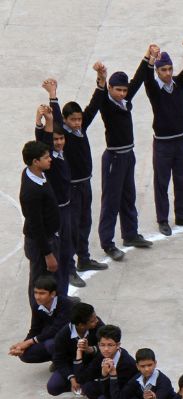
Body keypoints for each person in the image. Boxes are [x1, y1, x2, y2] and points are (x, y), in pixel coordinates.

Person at [45, 79, 108, 273]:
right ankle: (69, 268)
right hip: (71, 188)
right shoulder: (63, 135)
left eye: (79, 119)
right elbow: (55, 117)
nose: (77, 123)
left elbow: (94, 105)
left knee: (85, 222)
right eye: (73, 120)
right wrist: (53, 96)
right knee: (70, 228)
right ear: (65, 120)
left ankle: (84, 258)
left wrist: (101, 82)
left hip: (85, 184)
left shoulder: (81, 128)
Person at [92, 58, 152, 257]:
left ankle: (130, 233)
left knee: (128, 196)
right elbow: (96, 99)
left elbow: (138, 79)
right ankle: (107, 243)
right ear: (110, 88)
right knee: (111, 200)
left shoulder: (125, 100)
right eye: (118, 90)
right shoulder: (106, 104)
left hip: (128, 155)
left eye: (124, 90)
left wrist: (147, 58)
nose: (122, 94)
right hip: (115, 157)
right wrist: (100, 80)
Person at [141, 43, 183, 236]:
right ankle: (163, 219)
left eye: (170, 69)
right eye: (163, 70)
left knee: (182, 179)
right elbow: (146, 78)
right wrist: (150, 59)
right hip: (163, 143)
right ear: (157, 71)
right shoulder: (154, 89)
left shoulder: (178, 84)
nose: (167, 73)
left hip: (181, 140)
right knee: (162, 182)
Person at [33, 104, 75, 292]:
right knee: (57, 255)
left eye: (61, 138)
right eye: (55, 139)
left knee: (66, 253)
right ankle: (57, 294)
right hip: (56, 211)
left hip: (67, 208)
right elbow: (43, 143)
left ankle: (63, 293)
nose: (58, 142)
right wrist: (41, 122)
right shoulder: (49, 160)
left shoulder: (63, 154)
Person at [19, 140, 60, 311]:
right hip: (40, 244)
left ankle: (52, 308)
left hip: (49, 237)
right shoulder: (31, 192)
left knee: (48, 281)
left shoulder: (35, 173)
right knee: (39, 284)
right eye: (46, 157)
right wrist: (48, 254)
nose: (50, 159)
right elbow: (36, 227)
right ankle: (39, 317)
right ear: (35, 162)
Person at [9, 276, 75, 365]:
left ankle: (67, 362)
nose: (37, 297)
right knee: (25, 354)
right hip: (55, 338)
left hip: (71, 339)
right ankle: (58, 359)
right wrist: (21, 346)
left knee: (51, 344)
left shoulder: (66, 304)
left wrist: (29, 342)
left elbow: (56, 329)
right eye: (35, 292)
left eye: (42, 293)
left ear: (52, 294)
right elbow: (35, 329)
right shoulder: (37, 306)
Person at [82, 324, 137, 399]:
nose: (105, 349)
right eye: (102, 345)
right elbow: (84, 377)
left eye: (110, 345)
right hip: (112, 389)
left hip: (127, 396)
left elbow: (114, 394)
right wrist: (79, 353)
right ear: (98, 344)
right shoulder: (103, 355)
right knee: (87, 386)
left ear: (118, 345)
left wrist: (105, 375)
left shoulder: (127, 363)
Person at [46, 301, 102, 398]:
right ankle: (78, 385)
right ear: (81, 325)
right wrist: (72, 378)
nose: (96, 321)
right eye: (92, 321)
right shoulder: (62, 335)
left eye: (95, 318)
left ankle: (91, 385)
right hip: (73, 365)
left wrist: (90, 349)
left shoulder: (98, 325)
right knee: (53, 387)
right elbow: (59, 360)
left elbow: (107, 345)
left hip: (93, 363)